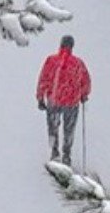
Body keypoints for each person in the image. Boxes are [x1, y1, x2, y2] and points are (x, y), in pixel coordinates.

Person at [36, 34, 91, 164]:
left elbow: (43, 79)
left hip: (54, 99)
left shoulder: (51, 60)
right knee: (69, 128)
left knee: (53, 126)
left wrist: (40, 97)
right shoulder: (78, 63)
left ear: (60, 44)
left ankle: (54, 151)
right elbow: (86, 80)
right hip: (72, 101)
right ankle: (66, 154)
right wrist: (84, 94)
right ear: (72, 46)